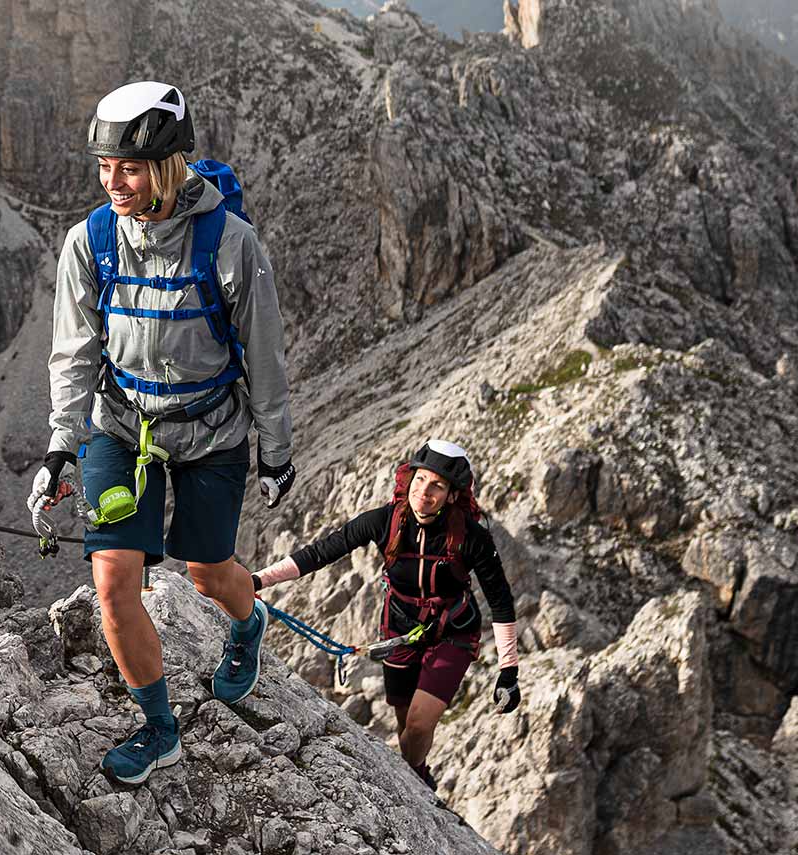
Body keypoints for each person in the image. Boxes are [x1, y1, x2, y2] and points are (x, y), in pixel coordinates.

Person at [27, 80, 296, 785]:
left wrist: (277, 450)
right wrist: (60, 444)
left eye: (130, 167)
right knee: (114, 579)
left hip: (210, 432)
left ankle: (246, 626)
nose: (113, 182)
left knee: (208, 571)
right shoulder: (88, 242)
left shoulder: (232, 244)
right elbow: (73, 352)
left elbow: (262, 355)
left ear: (169, 165)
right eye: (104, 167)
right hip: (120, 427)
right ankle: (158, 726)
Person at [253, 439, 522, 790]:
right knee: (404, 721)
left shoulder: (472, 538)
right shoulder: (387, 521)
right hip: (398, 631)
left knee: (421, 723)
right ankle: (420, 773)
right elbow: (322, 552)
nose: (424, 492)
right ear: (409, 480)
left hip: (452, 633)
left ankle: (414, 789)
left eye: (437, 486)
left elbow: (500, 600)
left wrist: (508, 670)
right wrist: (259, 579)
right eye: (421, 480)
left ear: (452, 495)